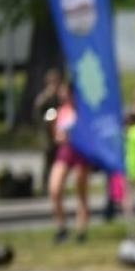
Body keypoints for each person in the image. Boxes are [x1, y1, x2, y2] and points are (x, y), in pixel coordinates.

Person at [46, 83, 91, 244]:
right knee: (55, 189)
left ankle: (81, 231)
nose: (63, 96)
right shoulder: (60, 112)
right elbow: (57, 135)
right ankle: (62, 227)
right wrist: (58, 135)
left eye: (66, 93)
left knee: (81, 192)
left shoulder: (83, 111)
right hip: (66, 151)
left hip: (81, 152)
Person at [34, 68, 64, 196]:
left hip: (58, 132)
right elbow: (37, 110)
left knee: (59, 161)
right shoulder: (44, 96)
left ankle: (57, 186)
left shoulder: (60, 96)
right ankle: (45, 186)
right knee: (48, 161)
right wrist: (48, 95)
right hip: (47, 134)